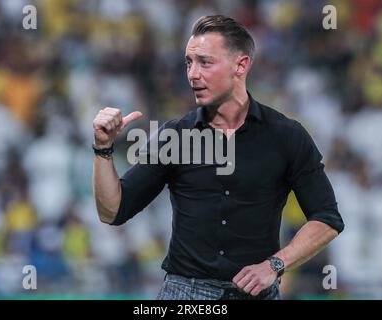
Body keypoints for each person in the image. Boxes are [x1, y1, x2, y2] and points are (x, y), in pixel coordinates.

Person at [92, 15, 344, 300]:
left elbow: (327, 218)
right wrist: (103, 148)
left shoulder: (287, 135)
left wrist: (275, 264)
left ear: (241, 65)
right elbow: (112, 211)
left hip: (257, 293)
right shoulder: (173, 135)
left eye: (205, 62)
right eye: (189, 62)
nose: (192, 74)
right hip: (185, 294)